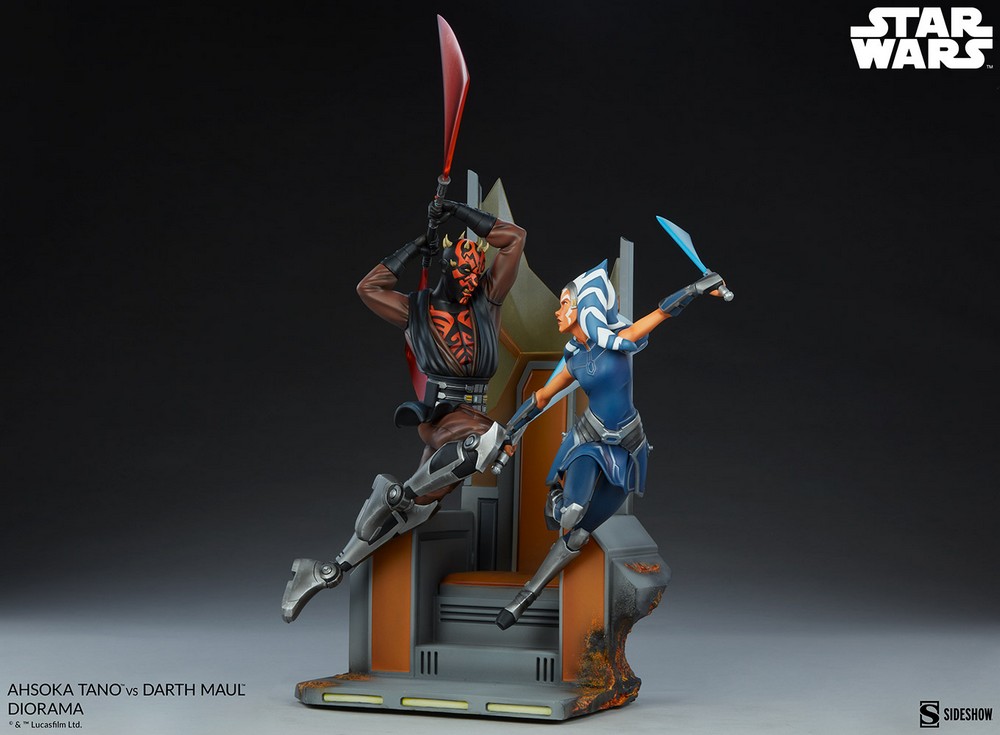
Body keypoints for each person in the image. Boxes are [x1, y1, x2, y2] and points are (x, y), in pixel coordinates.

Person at [281, 199, 526, 623]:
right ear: (448, 268)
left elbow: (515, 238)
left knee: (418, 510)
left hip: (473, 415)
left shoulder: (488, 300)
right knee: (487, 440)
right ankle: (398, 494)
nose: (473, 281)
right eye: (464, 273)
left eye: (477, 272)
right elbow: (368, 288)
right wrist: (417, 245)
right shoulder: (415, 310)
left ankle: (327, 570)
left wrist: (459, 211)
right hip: (440, 416)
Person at [495, 260, 726, 629]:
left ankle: (526, 596)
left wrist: (695, 289)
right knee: (570, 514)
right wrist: (508, 432)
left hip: (629, 447)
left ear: (583, 308)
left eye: (564, 303)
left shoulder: (618, 344)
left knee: (579, 534)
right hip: (589, 439)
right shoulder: (574, 359)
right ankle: (558, 504)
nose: (557, 311)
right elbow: (541, 398)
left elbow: (661, 314)